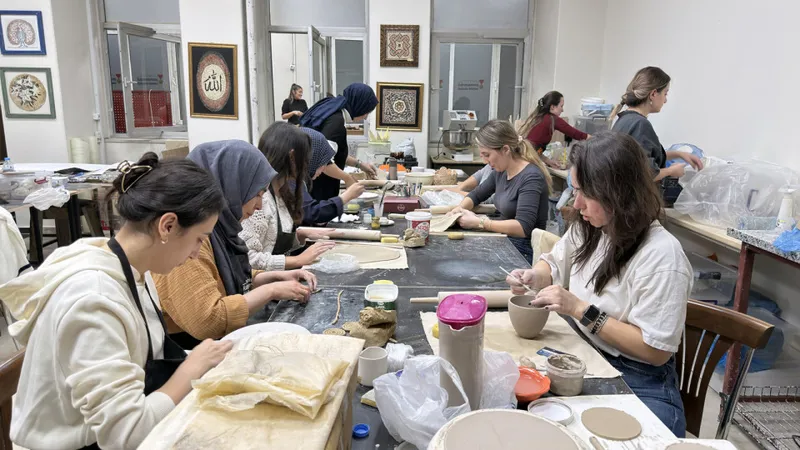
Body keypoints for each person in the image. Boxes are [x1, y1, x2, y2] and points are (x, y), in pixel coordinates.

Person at [0, 153, 234, 449]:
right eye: (200, 239)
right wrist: (191, 369)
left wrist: (204, 359)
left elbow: (143, 358)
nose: (196, 253)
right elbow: (125, 434)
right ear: (168, 226)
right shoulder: (93, 299)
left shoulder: (135, 270)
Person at [506, 132, 691, 437]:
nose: (576, 203)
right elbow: (554, 262)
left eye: (584, 193)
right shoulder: (591, 227)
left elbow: (654, 350)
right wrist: (535, 276)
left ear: (617, 193)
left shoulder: (662, 256)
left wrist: (581, 310)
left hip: (638, 376)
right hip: (583, 349)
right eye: (575, 190)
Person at [154, 140, 315, 349]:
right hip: (190, 349)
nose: (259, 206)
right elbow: (208, 320)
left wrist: (269, 277)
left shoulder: (223, 229)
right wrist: (271, 290)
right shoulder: (188, 239)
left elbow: (225, 276)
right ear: (231, 187)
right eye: (256, 195)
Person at [447, 119, 553, 263]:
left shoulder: (531, 177)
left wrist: (480, 223)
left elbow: (523, 227)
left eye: (487, 155)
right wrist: (459, 209)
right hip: (505, 240)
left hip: (523, 250)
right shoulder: (500, 171)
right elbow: (476, 195)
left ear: (505, 150)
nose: (485, 161)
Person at [239, 123, 339, 271]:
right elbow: (249, 259)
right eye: (306, 157)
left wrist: (300, 236)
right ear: (292, 157)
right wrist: (299, 260)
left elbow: (271, 241)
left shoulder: (282, 190)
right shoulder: (260, 200)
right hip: (265, 282)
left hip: (279, 278)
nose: (307, 164)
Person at [610, 67, 702, 181]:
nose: (665, 100)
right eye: (665, 94)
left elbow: (641, 158)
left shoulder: (624, 119)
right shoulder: (640, 125)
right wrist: (671, 171)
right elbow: (645, 174)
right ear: (653, 94)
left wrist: (679, 154)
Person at [300, 82, 379, 201]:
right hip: (318, 187)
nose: (365, 117)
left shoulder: (333, 110)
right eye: (366, 111)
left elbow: (334, 153)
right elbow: (324, 162)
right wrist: (347, 178)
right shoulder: (336, 122)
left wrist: (361, 165)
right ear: (359, 105)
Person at [299, 126, 365, 225]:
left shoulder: (299, 179)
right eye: (322, 162)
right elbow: (312, 213)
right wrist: (346, 196)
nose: (323, 169)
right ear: (310, 158)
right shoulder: (289, 181)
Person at [520, 91, 589, 168]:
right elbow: (577, 134)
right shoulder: (551, 119)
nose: (562, 110)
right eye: (561, 106)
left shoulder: (538, 117)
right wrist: (593, 139)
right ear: (552, 107)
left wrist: (548, 160)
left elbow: (536, 150)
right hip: (526, 161)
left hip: (523, 158)